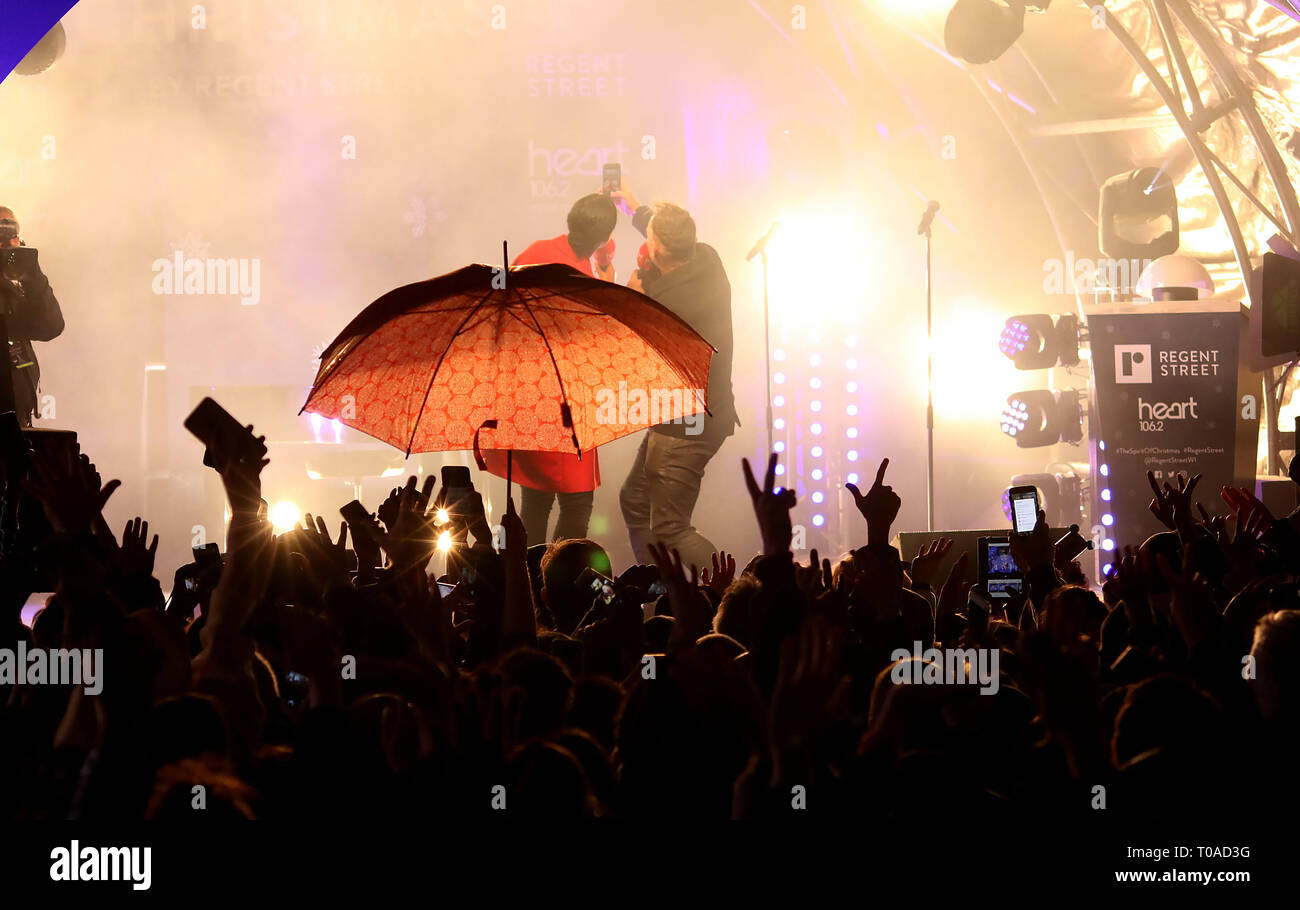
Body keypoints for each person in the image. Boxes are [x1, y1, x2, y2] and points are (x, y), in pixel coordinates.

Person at [610, 187, 737, 573]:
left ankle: (732, 595)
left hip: (687, 423)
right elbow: (667, 236)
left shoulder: (661, 306)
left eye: (649, 236)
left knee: (670, 527)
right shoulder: (707, 257)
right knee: (635, 500)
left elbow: (629, 350)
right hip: (693, 411)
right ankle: (659, 591)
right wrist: (632, 207)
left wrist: (626, 297)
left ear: (658, 249)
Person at [480, 193, 618, 544]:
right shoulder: (584, 275)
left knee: (536, 500)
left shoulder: (533, 254)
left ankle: (528, 583)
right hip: (568, 396)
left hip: (529, 395)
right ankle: (560, 581)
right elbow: (599, 331)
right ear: (601, 239)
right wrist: (607, 278)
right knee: (577, 502)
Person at [0, 206, 64, 426]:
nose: (7, 240)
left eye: (12, 233)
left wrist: (31, 273)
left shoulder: (15, 291)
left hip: (18, 426)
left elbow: (51, 327)